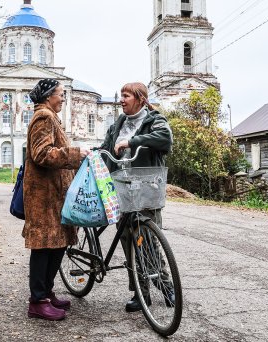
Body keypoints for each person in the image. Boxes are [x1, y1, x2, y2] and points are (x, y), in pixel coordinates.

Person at [99, 82, 174, 312]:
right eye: (121, 95)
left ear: (140, 98)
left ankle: (165, 285)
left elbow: (165, 139)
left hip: (146, 188)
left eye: (126, 95)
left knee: (148, 240)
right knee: (129, 241)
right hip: (121, 189)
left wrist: (132, 142)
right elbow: (105, 149)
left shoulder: (154, 120)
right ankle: (141, 293)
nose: (122, 100)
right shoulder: (117, 125)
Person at [23, 79, 89, 321]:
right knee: (43, 246)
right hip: (44, 195)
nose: (63, 98)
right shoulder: (44, 117)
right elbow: (41, 154)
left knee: (57, 243)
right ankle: (37, 301)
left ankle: (47, 293)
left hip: (54, 194)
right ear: (49, 95)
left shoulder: (51, 116)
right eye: (61, 94)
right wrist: (74, 154)